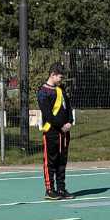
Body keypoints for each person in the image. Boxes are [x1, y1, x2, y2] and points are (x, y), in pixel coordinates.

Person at [38, 63, 74, 199]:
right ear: (52, 74)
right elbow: (48, 115)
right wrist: (61, 125)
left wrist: (70, 122)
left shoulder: (61, 89)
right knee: (50, 162)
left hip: (64, 133)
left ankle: (61, 189)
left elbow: (68, 107)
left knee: (62, 162)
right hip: (52, 132)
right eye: (60, 77)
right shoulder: (43, 92)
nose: (61, 80)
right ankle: (49, 189)